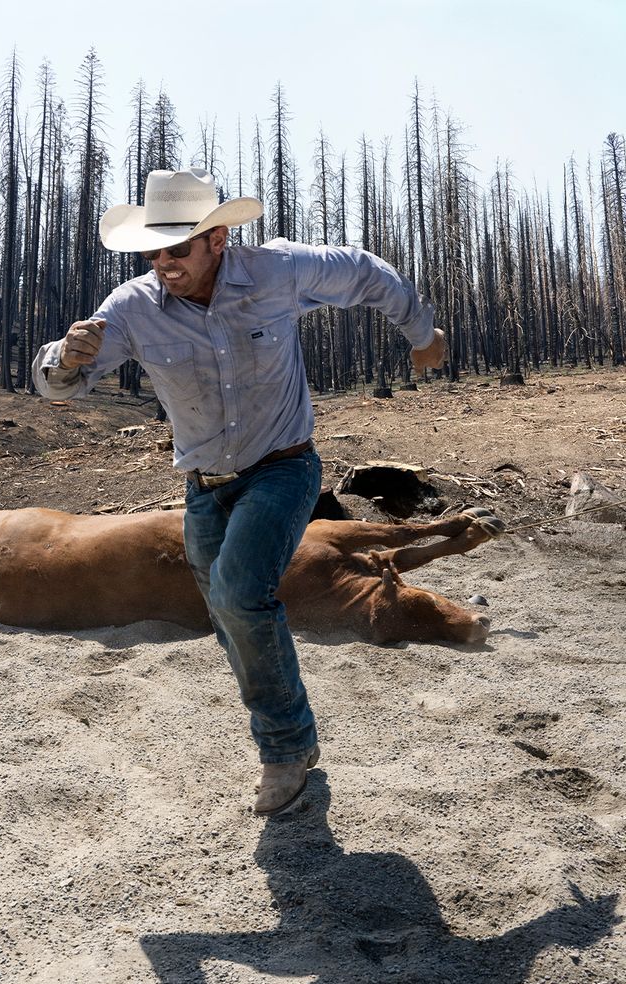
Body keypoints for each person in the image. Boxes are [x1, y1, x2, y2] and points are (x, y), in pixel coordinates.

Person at [32, 168, 446, 817]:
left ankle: (284, 747)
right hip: (205, 487)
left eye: (179, 248)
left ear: (218, 238)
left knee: (237, 591)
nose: (164, 263)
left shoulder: (276, 272)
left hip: (284, 468)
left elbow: (364, 273)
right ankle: (295, 730)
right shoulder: (132, 307)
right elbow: (59, 384)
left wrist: (422, 333)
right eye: (155, 250)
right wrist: (68, 358)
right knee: (227, 611)